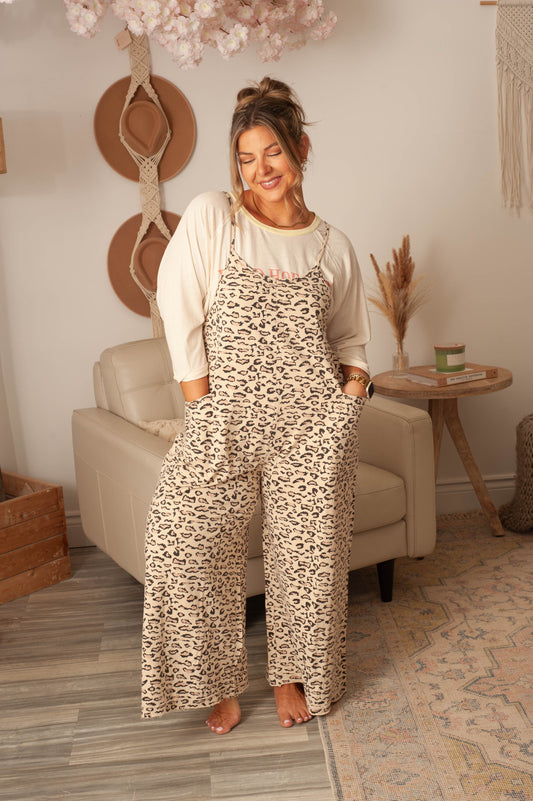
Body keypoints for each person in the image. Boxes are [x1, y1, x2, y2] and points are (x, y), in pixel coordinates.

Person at [141, 76, 372, 735]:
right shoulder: (216, 217)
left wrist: (350, 398)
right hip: (225, 423)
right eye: (246, 157)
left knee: (309, 562)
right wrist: (202, 407)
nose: (260, 169)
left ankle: (290, 675)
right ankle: (217, 681)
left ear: (300, 149)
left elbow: (351, 339)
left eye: (272, 152)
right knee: (182, 544)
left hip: (312, 429)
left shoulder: (332, 245)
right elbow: (178, 307)